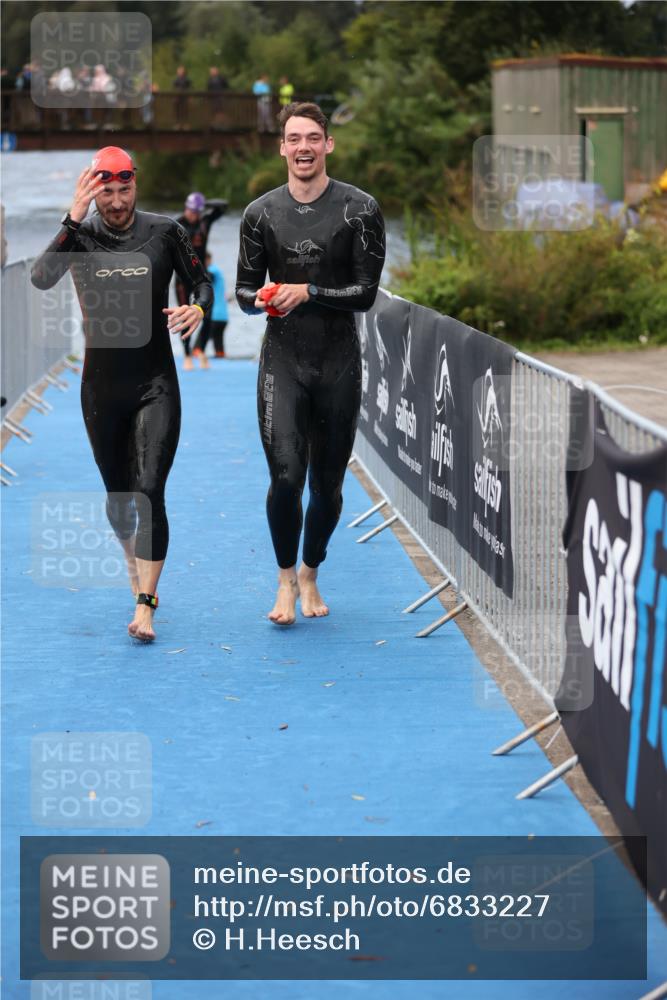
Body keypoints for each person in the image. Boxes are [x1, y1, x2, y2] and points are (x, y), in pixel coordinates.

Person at [30, 146, 212, 641]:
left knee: (150, 492)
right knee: (120, 500)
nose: (115, 201)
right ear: (92, 189)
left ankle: (146, 603)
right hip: (101, 389)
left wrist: (197, 308)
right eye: (104, 191)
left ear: (136, 183)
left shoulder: (165, 231)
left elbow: (201, 283)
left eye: (123, 189)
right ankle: (132, 565)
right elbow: (41, 278)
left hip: (156, 384)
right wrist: (71, 217)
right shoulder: (80, 236)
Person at [236, 101, 385, 625]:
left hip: (338, 361)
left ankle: (310, 571)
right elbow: (243, 293)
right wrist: (266, 297)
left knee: (328, 487)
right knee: (285, 477)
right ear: (282, 147)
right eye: (293, 138)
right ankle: (282, 581)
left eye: (312, 138)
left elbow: (366, 293)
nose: (303, 147)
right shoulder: (259, 214)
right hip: (283, 360)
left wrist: (310, 290)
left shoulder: (360, 209)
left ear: (328, 145)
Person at [175, 191, 227, 370]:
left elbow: (223, 207)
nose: (192, 214)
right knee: (184, 315)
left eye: (196, 211)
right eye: (190, 210)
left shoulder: (205, 221)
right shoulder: (177, 224)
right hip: (182, 277)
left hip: (201, 276)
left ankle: (201, 350)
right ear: (185, 208)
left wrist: (206, 203)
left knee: (208, 315)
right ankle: (187, 354)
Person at [193, 253, 229, 363]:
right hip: (223, 317)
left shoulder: (212, 271)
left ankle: (197, 367)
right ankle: (220, 358)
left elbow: (204, 280)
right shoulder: (218, 272)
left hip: (213, 315)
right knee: (219, 350)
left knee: (197, 349)